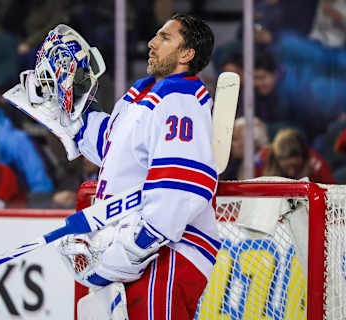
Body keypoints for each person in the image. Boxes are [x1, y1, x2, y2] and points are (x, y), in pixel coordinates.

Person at [13, 15, 219, 319]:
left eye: (165, 38)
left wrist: (136, 245)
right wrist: (75, 113)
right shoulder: (143, 96)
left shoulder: (181, 102)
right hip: (142, 252)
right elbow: (112, 147)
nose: (151, 43)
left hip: (167, 253)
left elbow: (181, 188)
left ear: (187, 54)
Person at [256, 128, 336, 183]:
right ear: (277, 158)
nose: (291, 172)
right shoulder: (264, 159)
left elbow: (332, 192)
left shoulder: (315, 162)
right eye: (287, 167)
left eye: (295, 166)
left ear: (303, 157)